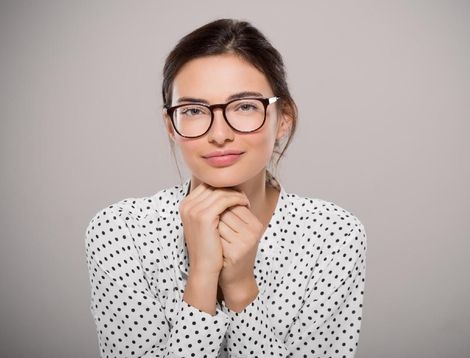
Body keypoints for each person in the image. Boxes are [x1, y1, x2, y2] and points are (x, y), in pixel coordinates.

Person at [85, 18, 367, 358]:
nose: (219, 134)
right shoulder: (120, 232)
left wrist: (240, 286)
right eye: (193, 110)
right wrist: (203, 276)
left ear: (284, 119)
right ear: (171, 126)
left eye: (245, 106)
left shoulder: (332, 235)